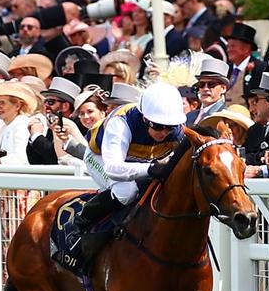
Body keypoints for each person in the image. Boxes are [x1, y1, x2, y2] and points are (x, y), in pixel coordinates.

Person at [68, 82, 187, 262]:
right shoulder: (121, 123)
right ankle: (81, 221)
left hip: (138, 161)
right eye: (157, 126)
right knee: (126, 191)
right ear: (145, 118)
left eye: (169, 127)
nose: (164, 133)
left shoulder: (177, 131)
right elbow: (113, 168)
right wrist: (151, 169)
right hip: (100, 158)